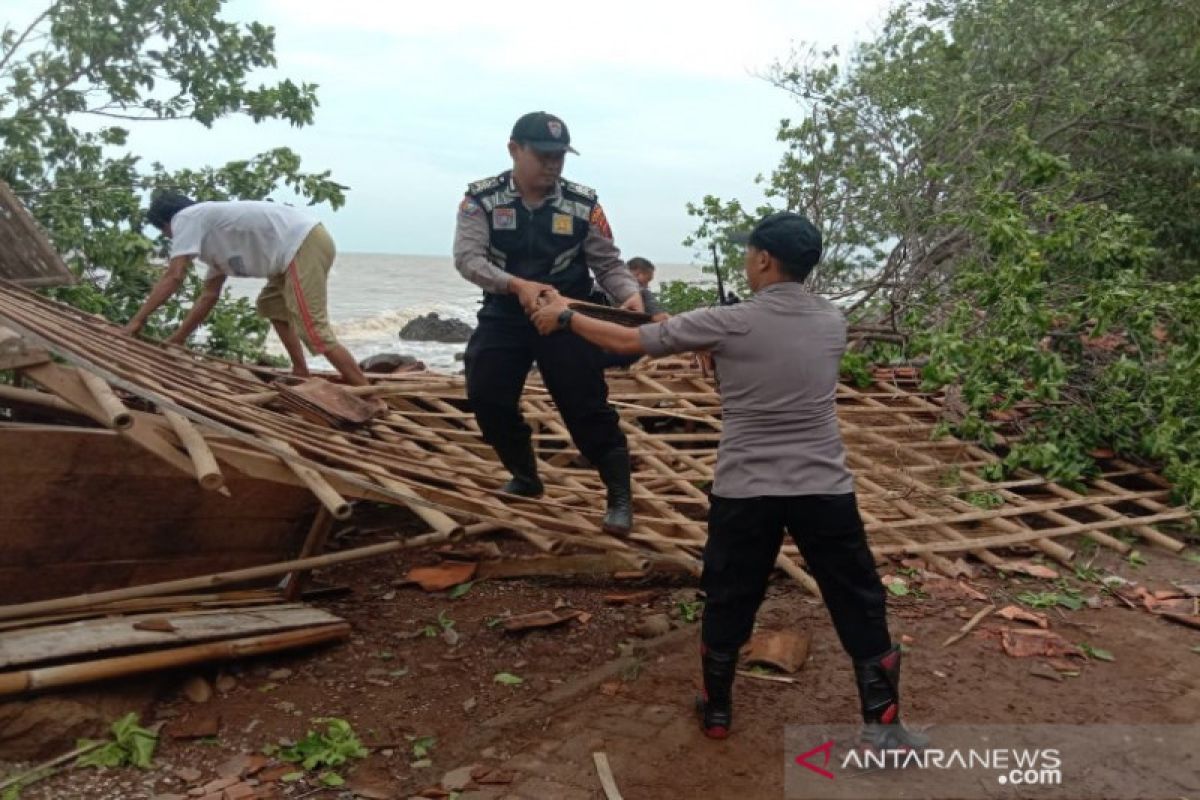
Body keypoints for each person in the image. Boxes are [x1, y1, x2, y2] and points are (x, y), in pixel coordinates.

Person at [530, 212, 926, 750]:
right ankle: (883, 724)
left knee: (729, 596)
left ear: (764, 259)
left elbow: (629, 343)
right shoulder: (832, 320)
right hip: (824, 487)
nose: (745, 260)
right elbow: (778, 360)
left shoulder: (728, 321)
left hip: (747, 489)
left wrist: (565, 315)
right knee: (858, 597)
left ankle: (717, 711)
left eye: (750, 252)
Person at [453, 111, 644, 534]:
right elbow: (469, 259)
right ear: (514, 150)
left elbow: (607, 261)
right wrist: (516, 285)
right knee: (486, 395)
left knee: (586, 406)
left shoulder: (583, 204)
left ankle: (619, 496)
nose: (553, 165)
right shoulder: (481, 200)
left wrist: (628, 294)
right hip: (506, 313)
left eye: (560, 156)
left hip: (565, 316)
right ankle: (525, 476)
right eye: (543, 155)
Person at [124, 192, 373, 387]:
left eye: (165, 232)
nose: (170, 238)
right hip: (295, 250)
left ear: (166, 223)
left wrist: (137, 321)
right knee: (271, 305)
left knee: (312, 329)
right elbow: (208, 297)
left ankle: (367, 391)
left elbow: (173, 276)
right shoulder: (213, 237)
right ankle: (300, 371)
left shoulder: (186, 217)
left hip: (301, 243)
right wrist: (177, 340)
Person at [626, 257, 669, 323]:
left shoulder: (610, 292)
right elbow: (661, 318)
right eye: (646, 281)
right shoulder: (643, 293)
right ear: (638, 274)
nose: (647, 286)